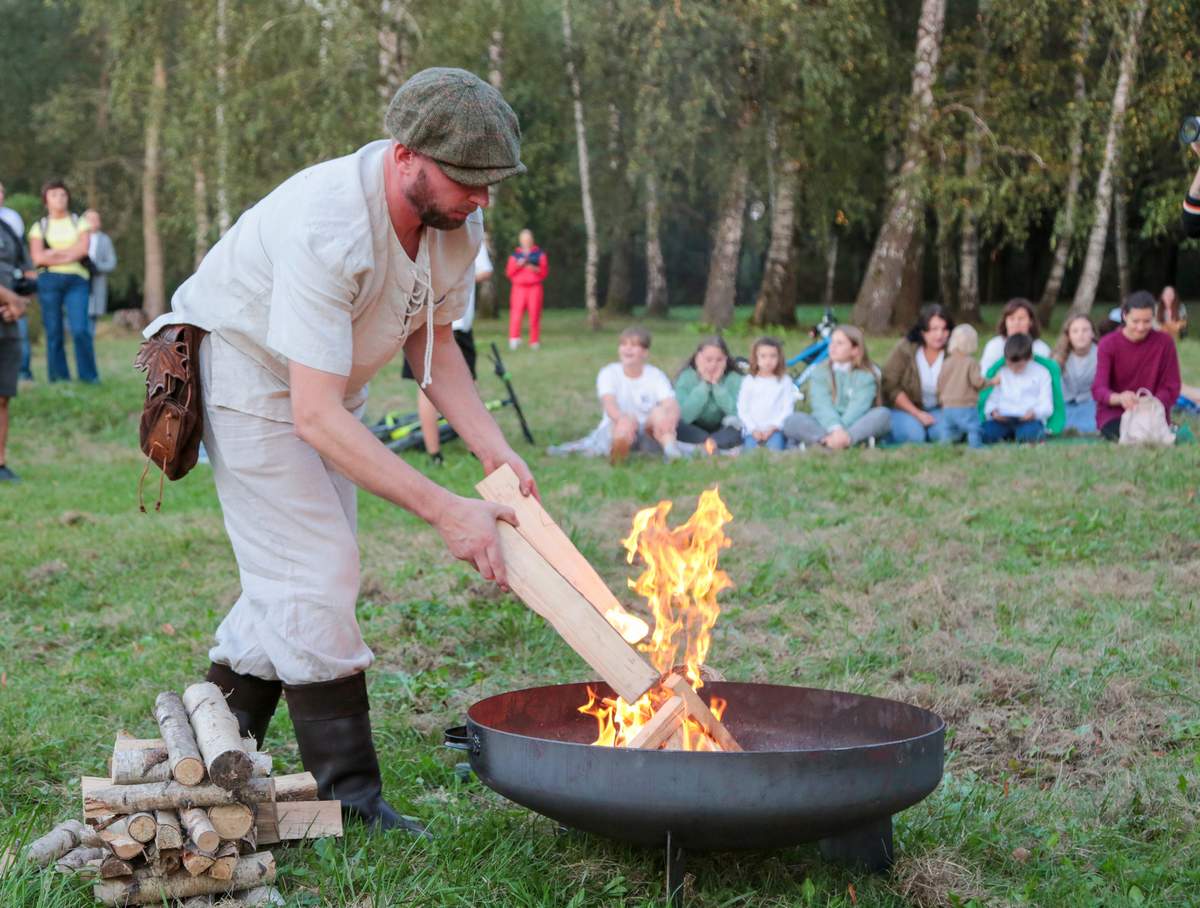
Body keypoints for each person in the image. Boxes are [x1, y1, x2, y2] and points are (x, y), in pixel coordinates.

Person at [141, 67, 536, 834]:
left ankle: (214, 754)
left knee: (297, 575)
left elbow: (437, 347)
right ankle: (351, 799)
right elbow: (314, 416)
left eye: (492, 183)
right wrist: (446, 510)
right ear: (405, 155)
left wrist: (495, 454)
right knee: (319, 569)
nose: (481, 199)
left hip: (324, 385)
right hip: (246, 375)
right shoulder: (330, 223)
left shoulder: (460, 223)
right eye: (467, 180)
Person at [404, 235, 491, 465]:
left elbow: (485, 270)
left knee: (467, 384)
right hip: (423, 323)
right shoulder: (420, 233)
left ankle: (478, 447)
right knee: (427, 388)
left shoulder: (471, 233)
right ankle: (435, 453)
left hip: (458, 324)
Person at [28, 180, 97, 383]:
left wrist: (54, 253)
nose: (59, 199)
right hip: (48, 280)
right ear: (46, 200)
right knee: (54, 330)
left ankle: (88, 377)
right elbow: (38, 258)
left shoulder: (80, 222)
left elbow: (83, 250)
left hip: (77, 281)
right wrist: (69, 252)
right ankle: (58, 378)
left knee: (80, 330)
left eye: (63, 194)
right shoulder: (39, 226)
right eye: (54, 195)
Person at [1093, 291, 1182, 441]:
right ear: (1124, 316)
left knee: (1147, 433)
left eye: (1147, 321)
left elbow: (1172, 386)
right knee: (1128, 433)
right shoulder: (1108, 343)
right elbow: (1099, 389)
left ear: (1153, 318)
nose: (1140, 327)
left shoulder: (1165, 342)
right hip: (1116, 414)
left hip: (1153, 412)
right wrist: (1120, 398)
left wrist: (1150, 402)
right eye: (1135, 321)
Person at [783, 326, 890, 449]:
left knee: (883, 414)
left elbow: (858, 408)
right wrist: (835, 427)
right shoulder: (819, 371)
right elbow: (821, 404)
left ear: (855, 350)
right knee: (792, 420)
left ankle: (832, 442)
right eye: (832, 342)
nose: (832, 347)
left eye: (840, 343)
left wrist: (840, 430)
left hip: (855, 423)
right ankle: (832, 441)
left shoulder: (866, 376)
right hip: (824, 423)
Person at [592, 326, 681, 463]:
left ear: (645, 353)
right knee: (626, 421)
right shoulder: (609, 373)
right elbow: (609, 403)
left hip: (648, 431)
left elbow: (670, 403)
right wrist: (623, 419)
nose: (627, 349)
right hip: (618, 427)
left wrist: (670, 420)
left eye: (633, 345)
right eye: (623, 344)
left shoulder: (655, 375)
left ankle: (672, 452)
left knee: (660, 413)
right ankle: (618, 453)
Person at [881, 304, 955, 444]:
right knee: (915, 436)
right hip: (906, 409)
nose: (940, 335)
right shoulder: (905, 348)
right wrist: (917, 413)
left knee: (944, 434)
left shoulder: (954, 352)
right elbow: (890, 385)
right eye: (934, 329)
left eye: (945, 329)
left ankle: (929, 429)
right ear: (923, 331)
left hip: (939, 409)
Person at [0, 200, 33, 482]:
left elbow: (29, 275)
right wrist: (11, 299)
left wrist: (18, 305)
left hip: (8, 324)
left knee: (2, 397)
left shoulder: (9, 231)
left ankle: (0, 464)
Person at [674, 336, 743, 451]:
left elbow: (737, 414)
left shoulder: (735, 379)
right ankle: (709, 443)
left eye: (719, 360)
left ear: (726, 360)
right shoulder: (686, 377)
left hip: (723, 428)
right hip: (694, 426)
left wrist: (717, 386)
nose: (713, 365)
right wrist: (704, 385)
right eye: (708, 360)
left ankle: (711, 444)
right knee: (677, 426)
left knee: (738, 428)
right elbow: (685, 416)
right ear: (698, 359)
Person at [981, 334, 1052, 444]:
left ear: (1030, 358)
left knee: (1031, 434)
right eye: (1010, 365)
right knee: (983, 433)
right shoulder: (1001, 372)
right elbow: (992, 398)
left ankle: (1021, 435)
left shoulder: (1042, 373)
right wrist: (993, 412)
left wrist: (1034, 413)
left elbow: (1046, 403)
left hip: (1028, 420)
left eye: (1019, 366)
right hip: (1003, 420)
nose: (1013, 369)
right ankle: (1009, 435)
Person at [937, 324, 992, 448]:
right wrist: (992, 382)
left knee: (947, 429)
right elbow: (977, 382)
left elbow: (940, 382)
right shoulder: (971, 362)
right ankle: (975, 447)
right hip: (965, 405)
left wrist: (941, 397)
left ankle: (944, 448)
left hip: (947, 406)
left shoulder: (947, 362)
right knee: (973, 428)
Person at [736, 337, 796, 451]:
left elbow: (788, 408)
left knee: (775, 449)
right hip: (752, 430)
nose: (768, 361)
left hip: (775, 429)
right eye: (763, 356)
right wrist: (753, 429)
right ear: (756, 358)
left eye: (773, 356)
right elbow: (743, 408)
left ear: (779, 358)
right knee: (750, 452)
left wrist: (774, 427)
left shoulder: (784, 381)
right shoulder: (749, 381)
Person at [1, 181, 34, 382]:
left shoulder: (10, 224)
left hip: (10, 304)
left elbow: (27, 267)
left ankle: (23, 372)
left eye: (2, 191)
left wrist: (22, 302)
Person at [979, 298, 1051, 373]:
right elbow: (984, 375)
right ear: (1005, 322)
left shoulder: (1041, 348)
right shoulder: (994, 346)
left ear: (1031, 322)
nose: (1016, 323)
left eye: (1021, 319)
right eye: (1011, 319)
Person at [1053, 315, 1098, 434]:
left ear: (1092, 333)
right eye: (1075, 331)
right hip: (1065, 404)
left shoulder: (1101, 354)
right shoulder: (1058, 357)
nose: (1080, 334)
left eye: (1085, 330)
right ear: (1068, 335)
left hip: (1091, 403)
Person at [505, 228, 547, 350]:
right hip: (518, 288)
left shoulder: (539, 254)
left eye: (528, 239)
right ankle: (514, 339)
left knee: (535, 314)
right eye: (524, 240)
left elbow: (544, 272)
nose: (526, 242)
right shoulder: (515, 255)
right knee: (516, 314)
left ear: (532, 240)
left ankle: (534, 341)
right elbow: (509, 272)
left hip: (535, 288)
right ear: (520, 240)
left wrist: (532, 267)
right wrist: (519, 265)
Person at [83, 209, 118, 334]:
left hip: (96, 282)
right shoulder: (77, 237)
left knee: (92, 315)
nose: (95, 222)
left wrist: (96, 267)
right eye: (91, 219)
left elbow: (112, 262)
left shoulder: (104, 240)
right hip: (79, 280)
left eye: (97, 219)